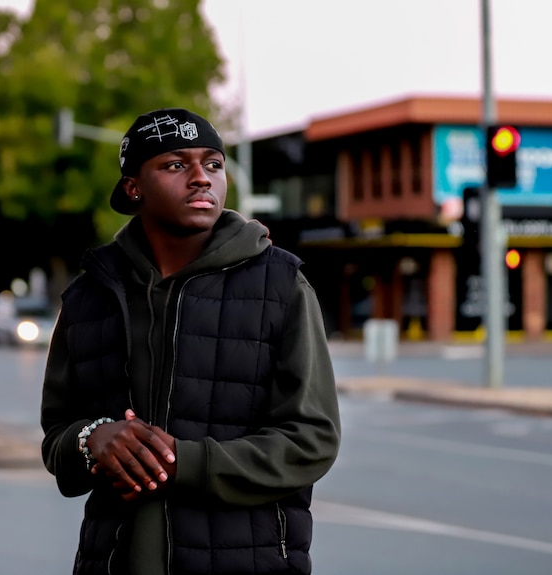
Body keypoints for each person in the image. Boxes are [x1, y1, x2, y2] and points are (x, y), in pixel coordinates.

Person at [40, 107, 341, 575]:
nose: (202, 178)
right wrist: (91, 439)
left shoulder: (281, 285)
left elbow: (312, 440)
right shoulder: (88, 297)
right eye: (176, 164)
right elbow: (58, 435)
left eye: (214, 164)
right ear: (133, 186)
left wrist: (185, 461)